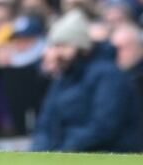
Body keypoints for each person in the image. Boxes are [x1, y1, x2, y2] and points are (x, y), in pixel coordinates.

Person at [31, 9, 143, 152]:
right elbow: (46, 124)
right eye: (55, 46)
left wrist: (63, 150)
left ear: (81, 46)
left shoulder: (109, 75)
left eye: (63, 46)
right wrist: (41, 151)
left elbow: (104, 127)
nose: (56, 53)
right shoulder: (63, 78)